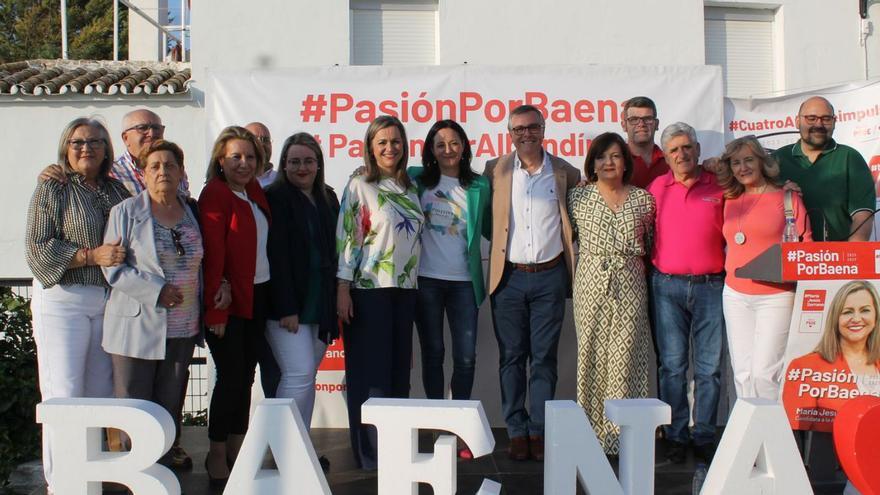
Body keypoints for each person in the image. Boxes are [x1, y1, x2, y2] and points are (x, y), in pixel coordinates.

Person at [25, 118, 130, 492]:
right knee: (64, 392)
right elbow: (38, 251)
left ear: (107, 149)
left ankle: (89, 476)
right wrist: (91, 256)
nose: (86, 148)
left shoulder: (117, 190)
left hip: (108, 301)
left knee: (100, 393)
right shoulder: (53, 186)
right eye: (78, 142)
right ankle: (61, 481)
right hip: (63, 299)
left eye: (95, 142)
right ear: (65, 147)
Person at [483, 104, 580, 462]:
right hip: (508, 278)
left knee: (543, 359)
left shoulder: (565, 171)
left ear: (543, 129)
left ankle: (538, 429)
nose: (526, 134)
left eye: (532, 127)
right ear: (510, 133)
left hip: (550, 277)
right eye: (518, 129)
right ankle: (516, 429)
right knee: (511, 357)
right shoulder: (495, 170)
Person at [101, 140, 203, 466]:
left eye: (170, 165)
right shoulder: (126, 212)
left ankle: (162, 461)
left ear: (181, 171)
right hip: (137, 323)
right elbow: (113, 268)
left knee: (170, 400)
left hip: (183, 325)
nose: (163, 172)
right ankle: (135, 468)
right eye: (155, 166)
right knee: (135, 402)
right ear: (144, 174)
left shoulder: (192, 210)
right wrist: (157, 290)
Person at [336, 115, 424, 470]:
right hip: (369, 290)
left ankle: (395, 449)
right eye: (382, 142)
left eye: (396, 141)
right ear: (371, 148)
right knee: (369, 377)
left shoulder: (411, 187)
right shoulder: (360, 184)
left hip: (405, 291)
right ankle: (369, 453)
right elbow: (348, 239)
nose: (390, 148)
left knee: (397, 375)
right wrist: (342, 288)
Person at [567, 132, 655, 455]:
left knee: (626, 356)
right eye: (602, 156)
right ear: (592, 162)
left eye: (616, 156)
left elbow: (650, 244)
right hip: (590, 282)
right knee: (589, 355)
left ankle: (621, 436)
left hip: (630, 282)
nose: (608, 162)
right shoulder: (577, 198)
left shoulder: (644, 200)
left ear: (625, 162)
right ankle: (589, 435)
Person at [410, 120, 491, 459]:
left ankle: (459, 425)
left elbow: (490, 228)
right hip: (426, 279)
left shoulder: (479, 186)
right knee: (433, 353)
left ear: (464, 146)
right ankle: (436, 419)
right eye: (440, 143)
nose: (448, 149)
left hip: (463, 283)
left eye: (454, 142)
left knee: (466, 357)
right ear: (431, 148)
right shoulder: (415, 179)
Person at [648, 122, 724, 464]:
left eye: (687, 147)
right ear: (665, 156)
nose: (682, 154)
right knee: (673, 367)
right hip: (667, 286)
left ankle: (704, 433)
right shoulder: (655, 188)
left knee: (708, 368)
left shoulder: (720, 186)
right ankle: (676, 434)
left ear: (698, 149)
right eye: (674, 149)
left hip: (711, 286)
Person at [199, 126, 272, 485]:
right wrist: (216, 309)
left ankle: (236, 447)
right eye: (236, 157)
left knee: (245, 377)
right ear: (220, 160)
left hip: (256, 299)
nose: (244, 163)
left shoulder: (254, 191)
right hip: (226, 303)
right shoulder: (215, 194)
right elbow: (213, 255)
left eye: (250, 157)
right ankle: (216, 452)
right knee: (229, 379)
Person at [264, 132, 339, 471]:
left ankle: (299, 446)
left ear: (318, 164)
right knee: (298, 374)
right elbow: (274, 257)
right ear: (283, 165)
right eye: (294, 161)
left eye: (308, 161)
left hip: (320, 304)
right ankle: (284, 451)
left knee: (305, 377)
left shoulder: (327, 198)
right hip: (287, 308)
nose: (302, 167)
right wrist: (286, 307)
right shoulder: (273, 199)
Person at [717, 136, 813, 400]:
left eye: (749, 160)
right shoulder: (728, 198)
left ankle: (772, 438)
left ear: (762, 161)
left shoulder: (788, 198)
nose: (742, 167)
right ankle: (750, 440)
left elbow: (807, 246)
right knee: (743, 374)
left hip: (776, 296)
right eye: (736, 162)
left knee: (765, 375)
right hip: (735, 295)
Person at [783, 280, 880, 432]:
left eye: (865, 310)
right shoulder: (805, 367)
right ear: (836, 318)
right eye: (847, 311)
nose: (856, 318)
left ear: (876, 316)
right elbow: (794, 436)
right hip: (828, 453)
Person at [773, 96, 875, 241]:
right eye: (811, 118)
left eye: (826, 118)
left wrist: (851, 256)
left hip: (835, 258)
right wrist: (778, 194)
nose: (819, 124)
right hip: (786, 258)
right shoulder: (776, 160)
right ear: (797, 121)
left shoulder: (850, 158)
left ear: (834, 122)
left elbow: (863, 215)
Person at [245, 121, 282, 399]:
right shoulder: (227, 185)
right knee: (240, 370)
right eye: (253, 138)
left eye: (265, 138)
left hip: (274, 288)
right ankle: (238, 440)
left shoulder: (284, 183)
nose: (261, 143)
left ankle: (277, 434)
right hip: (241, 292)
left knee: (275, 367)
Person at [621, 96, 669, 188]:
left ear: (657, 124)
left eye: (647, 119)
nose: (641, 124)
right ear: (624, 125)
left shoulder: (671, 161)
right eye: (634, 119)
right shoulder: (616, 162)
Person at [246, 121, 279, 188]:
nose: (262, 144)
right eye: (255, 140)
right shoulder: (233, 182)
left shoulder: (282, 182)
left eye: (266, 140)